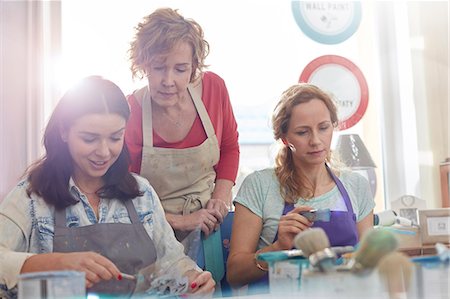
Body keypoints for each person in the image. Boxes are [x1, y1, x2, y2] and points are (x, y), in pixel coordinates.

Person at [0, 76, 215, 298]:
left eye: (115, 138)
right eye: (89, 139)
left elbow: (172, 261)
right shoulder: (31, 198)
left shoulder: (142, 194)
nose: (104, 152)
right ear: (64, 132)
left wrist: (191, 278)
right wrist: (54, 263)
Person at [226, 83, 375, 293]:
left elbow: (367, 265)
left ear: (333, 126)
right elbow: (235, 275)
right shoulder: (259, 185)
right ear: (285, 138)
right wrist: (278, 248)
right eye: (303, 132)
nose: (315, 141)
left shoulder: (357, 186)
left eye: (323, 128)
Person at [125, 8, 239, 249]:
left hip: (210, 229)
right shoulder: (129, 113)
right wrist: (180, 221)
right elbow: (122, 198)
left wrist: (220, 196)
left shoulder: (214, 90)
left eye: (180, 69)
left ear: (194, 66)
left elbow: (229, 147)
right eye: (158, 67)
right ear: (144, 65)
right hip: (151, 236)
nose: (168, 81)